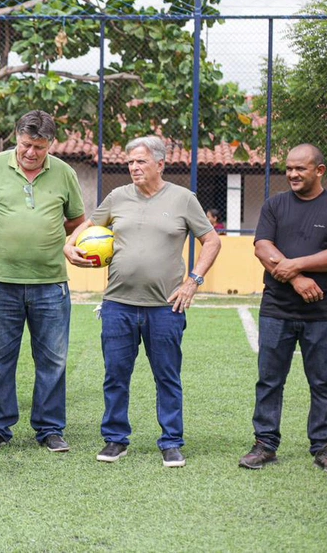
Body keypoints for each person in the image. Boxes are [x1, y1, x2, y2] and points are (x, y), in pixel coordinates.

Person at [65, 135, 221, 467]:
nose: (134, 167)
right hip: (117, 305)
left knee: (167, 376)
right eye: (131, 162)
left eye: (141, 162)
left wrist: (193, 281)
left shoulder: (183, 199)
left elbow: (211, 241)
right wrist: (69, 246)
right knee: (115, 375)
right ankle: (115, 440)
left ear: (160, 164)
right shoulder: (117, 197)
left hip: (166, 307)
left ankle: (171, 441)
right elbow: (85, 228)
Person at [0, 110, 85, 453]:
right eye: (26, 144)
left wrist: (53, 238)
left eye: (40, 147)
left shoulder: (64, 173)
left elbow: (77, 220)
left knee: (53, 360)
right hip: (1, 282)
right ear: (16, 136)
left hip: (51, 283)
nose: (31, 152)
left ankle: (49, 429)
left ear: (51, 144)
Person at [238, 144, 327, 474]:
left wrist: (296, 266)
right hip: (276, 309)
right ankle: (265, 445)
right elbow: (262, 247)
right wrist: (297, 280)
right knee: (270, 381)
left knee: (323, 382)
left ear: (319, 171)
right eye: (288, 168)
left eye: (300, 169)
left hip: (322, 311)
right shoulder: (275, 205)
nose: (292, 174)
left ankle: (323, 446)